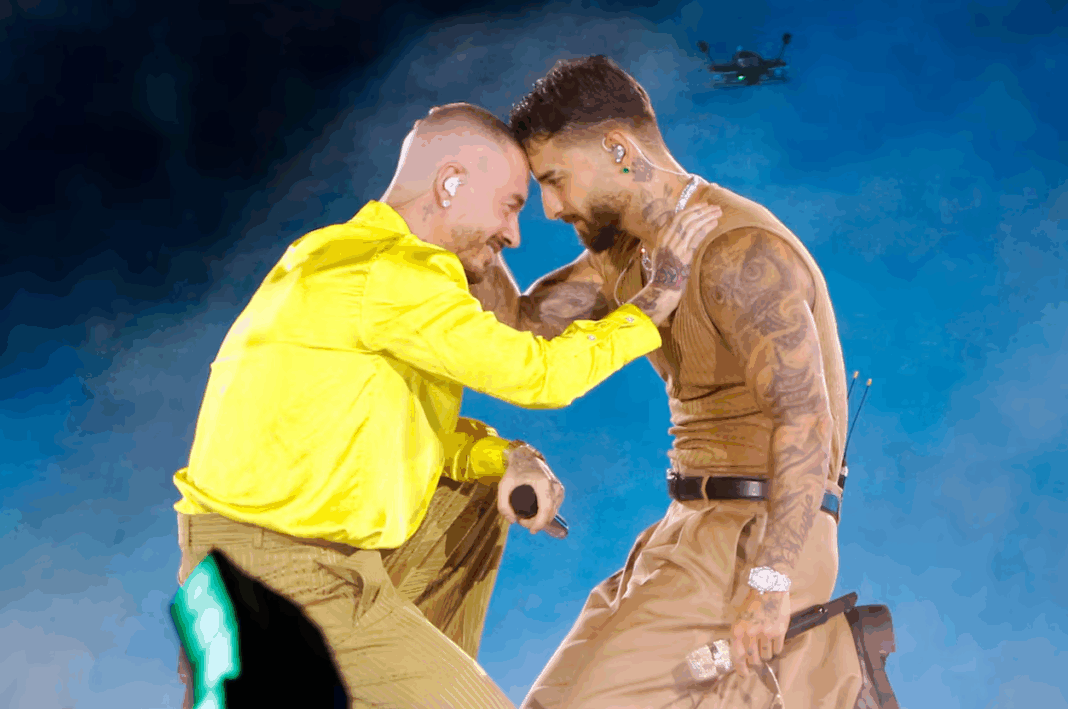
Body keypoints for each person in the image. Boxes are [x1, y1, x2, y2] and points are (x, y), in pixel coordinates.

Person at [171, 102, 720, 709]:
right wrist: (657, 296)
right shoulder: (393, 272)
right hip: (282, 578)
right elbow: (540, 376)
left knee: (478, 492)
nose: (514, 233)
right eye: (509, 205)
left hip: (266, 562)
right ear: (450, 183)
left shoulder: (337, 254)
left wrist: (502, 457)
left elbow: (382, 424)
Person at [468, 57, 866, 708]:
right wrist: (468, 225)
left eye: (555, 180)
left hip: (759, 535)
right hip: (685, 527)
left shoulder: (739, 253)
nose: (551, 207)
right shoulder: (627, 255)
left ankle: (823, 671)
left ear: (618, 150)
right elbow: (519, 327)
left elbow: (805, 422)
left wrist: (770, 583)